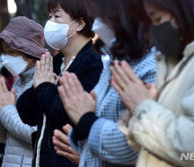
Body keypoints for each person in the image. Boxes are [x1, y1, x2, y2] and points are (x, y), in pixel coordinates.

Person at [109, 0, 194, 166]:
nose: (154, 30)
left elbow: (192, 150)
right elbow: (156, 146)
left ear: (185, 9)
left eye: (158, 19)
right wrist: (140, 108)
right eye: (151, 23)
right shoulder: (178, 59)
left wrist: (143, 106)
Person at [56, 0, 157, 166]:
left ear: (122, 17)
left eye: (101, 17)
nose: (95, 25)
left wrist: (85, 120)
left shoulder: (150, 67)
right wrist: (80, 125)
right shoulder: (111, 61)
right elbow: (94, 116)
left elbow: (136, 144)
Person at [15, 0, 103, 166]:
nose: (50, 23)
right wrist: (39, 88)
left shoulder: (93, 63)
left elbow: (67, 115)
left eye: (57, 16)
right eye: (49, 17)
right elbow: (27, 114)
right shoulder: (56, 62)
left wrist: (43, 87)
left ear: (79, 24)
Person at [0, 16, 47, 167]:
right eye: (5, 52)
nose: (6, 58)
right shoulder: (18, 81)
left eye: (11, 52)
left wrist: (7, 110)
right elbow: (1, 137)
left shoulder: (44, 82)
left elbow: (38, 135)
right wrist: (1, 108)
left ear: (29, 54)